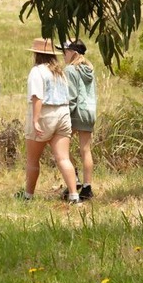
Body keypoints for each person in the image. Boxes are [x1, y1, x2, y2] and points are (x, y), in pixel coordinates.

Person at [17, 38, 81, 204]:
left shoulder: (37, 71)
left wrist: (35, 120)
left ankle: (28, 195)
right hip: (63, 113)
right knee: (63, 158)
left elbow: (37, 97)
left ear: (36, 54)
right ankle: (74, 195)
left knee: (32, 159)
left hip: (46, 114)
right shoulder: (60, 73)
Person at [60, 38, 97, 201]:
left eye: (65, 52)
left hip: (76, 112)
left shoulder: (70, 70)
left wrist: (65, 114)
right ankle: (87, 188)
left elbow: (72, 96)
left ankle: (73, 179)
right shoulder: (89, 69)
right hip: (90, 111)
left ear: (73, 53)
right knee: (85, 150)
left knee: (60, 145)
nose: (63, 55)